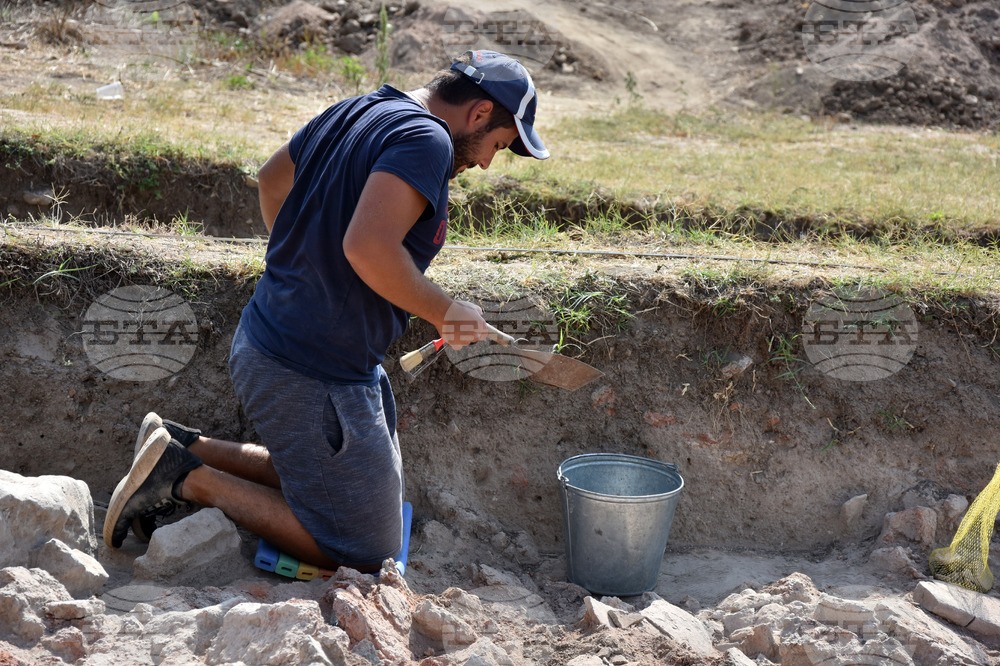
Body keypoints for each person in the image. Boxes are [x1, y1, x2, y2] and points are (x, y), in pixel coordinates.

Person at [103, 50, 549, 574]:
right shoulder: (426, 140)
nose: (487, 162)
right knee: (366, 551)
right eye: (497, 144)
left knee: (343, 489)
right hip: (311, 368)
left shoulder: (359, 108)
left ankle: (179, 444)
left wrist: (302, 264)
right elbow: (368, 249)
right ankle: (185, 476)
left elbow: (272, 178)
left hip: (275, 337)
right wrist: (446, 310)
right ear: (478, 114)